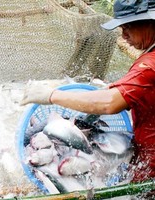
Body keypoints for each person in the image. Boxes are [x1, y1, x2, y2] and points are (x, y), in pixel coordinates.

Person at [21, 0, 155, 184]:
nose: (123, 36)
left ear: (150, 22)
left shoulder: (148, 65)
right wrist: (121, 89)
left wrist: (52, 96)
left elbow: (109, 103)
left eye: (128, 27)